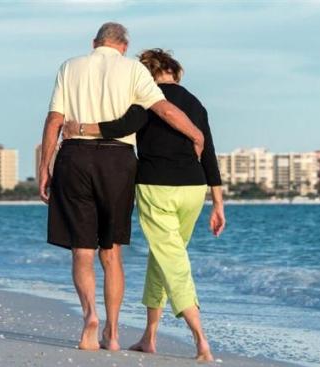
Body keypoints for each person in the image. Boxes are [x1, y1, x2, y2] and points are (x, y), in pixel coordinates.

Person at [38, 23, 205, 352]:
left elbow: (54, 120)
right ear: (124, 46)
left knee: (82, 250)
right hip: (118, 161)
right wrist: (196, 135)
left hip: (74, 156)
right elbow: (165, 109)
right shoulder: (132, 70)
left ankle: (90, 318)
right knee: (111, 252)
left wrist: (45, 166)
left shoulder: (69, 66)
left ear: (94, 43)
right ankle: (113, 333)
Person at [63, 49, 225, 362]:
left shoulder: (146, 99)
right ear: (174, 71)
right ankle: (149, 337)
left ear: (146, 75)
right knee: (164, 256)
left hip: (156, 186)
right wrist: (217, 202)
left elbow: (119, 126)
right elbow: (209, 152)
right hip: (194, 189)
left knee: (172, 261)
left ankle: (201, 340)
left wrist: (80, 129)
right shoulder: (195, 103)